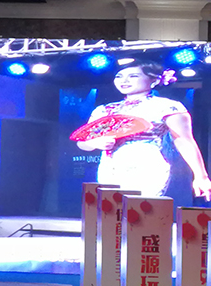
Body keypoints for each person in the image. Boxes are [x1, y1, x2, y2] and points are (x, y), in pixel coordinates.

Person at [76, 60, 211, 200]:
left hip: (147, 166)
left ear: (154, 81)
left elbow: (184, 141)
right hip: (110, 167)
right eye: (119, 76)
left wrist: (201, 176)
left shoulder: (168, 107)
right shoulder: (104, 110)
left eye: (133, 76)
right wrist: (94, 143)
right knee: (112, 209)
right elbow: (82, 142)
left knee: (141, 208)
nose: (124, 80)